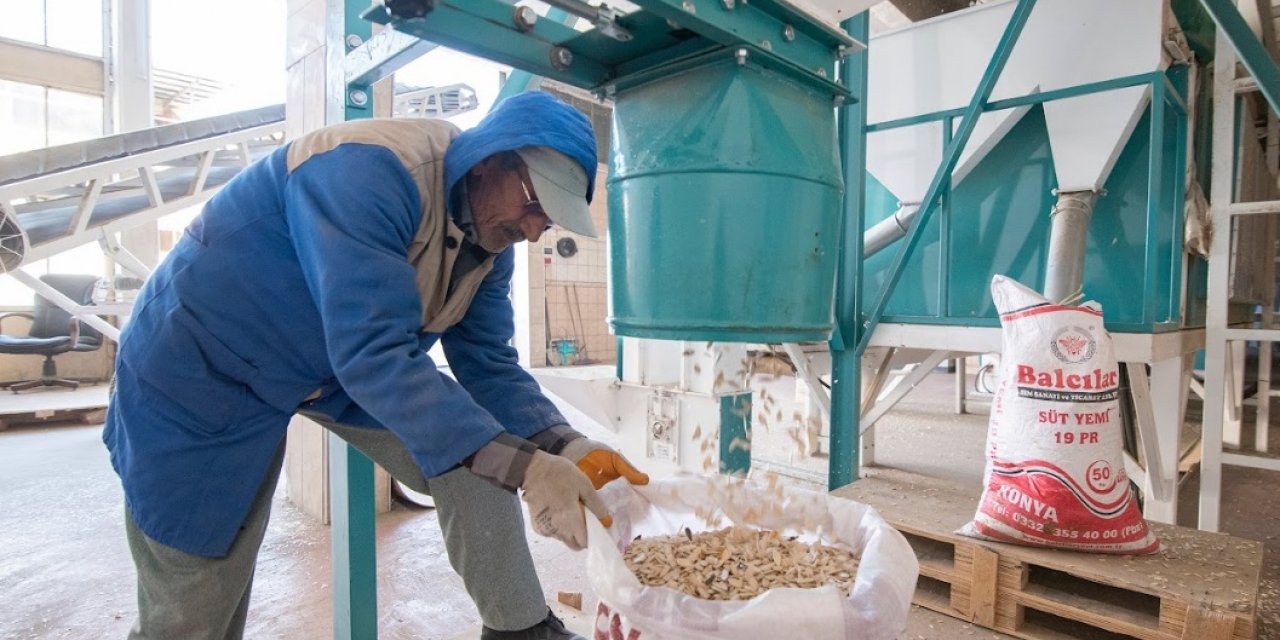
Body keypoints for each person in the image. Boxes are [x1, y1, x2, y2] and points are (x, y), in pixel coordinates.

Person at [103, 91, 649, 640]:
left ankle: (522, 632)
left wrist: (560, 444)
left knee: (482, 458)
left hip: (327, 372)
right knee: (199, 590)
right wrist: (531, 470)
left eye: (549, 221)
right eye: (534, 205)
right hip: (201, 363)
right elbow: (373, 352)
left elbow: (487, 362)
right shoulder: (368, 173)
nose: (534, 231)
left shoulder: (491, 240)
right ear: (491, 162)